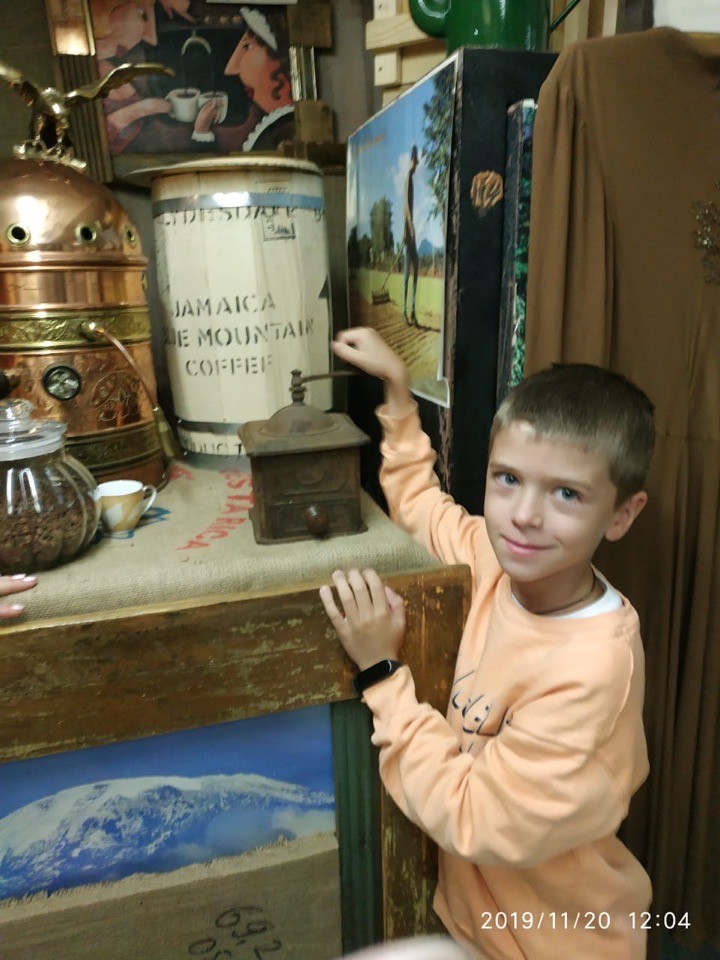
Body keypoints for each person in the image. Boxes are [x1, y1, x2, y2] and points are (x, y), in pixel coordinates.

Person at [319, 327, 655, 960]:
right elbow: (421, 506)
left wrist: (381, 673)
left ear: (621, 515)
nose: (524, 514)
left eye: (566, 493)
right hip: (480, 928)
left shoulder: (593, 668)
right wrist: (398, 394)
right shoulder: (493, 560)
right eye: (507, 478)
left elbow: (474, 816)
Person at [191, 6, 293, 152]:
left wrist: (201, 133)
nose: (231, 69)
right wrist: (202, 131)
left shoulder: (285, 133)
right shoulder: (273, 126)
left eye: (247, 47)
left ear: (283, 59)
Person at [402, 146, 420, 327]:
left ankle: (412, 310)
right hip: (408, 233)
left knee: (415, 269)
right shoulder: (408, 177)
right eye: (415, 161)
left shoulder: (412, 179)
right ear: (410, 161)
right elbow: (406, 206)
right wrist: (411, 229)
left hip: (410, 232)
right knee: (408, 273)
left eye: (417, 162)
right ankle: (404, 311)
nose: (416, 165)